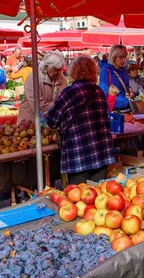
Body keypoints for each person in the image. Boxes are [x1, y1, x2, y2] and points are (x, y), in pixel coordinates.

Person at [44, 55, 116, 184]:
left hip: (78, 153)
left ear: (74, 71)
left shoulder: (69, 92)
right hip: (101, 150)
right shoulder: (98, 91)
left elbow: (52, 121)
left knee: (78, 196)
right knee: (97, 193)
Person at [17, 51, 67, 124]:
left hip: (52, 121)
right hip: (30, 121)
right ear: (46, 67)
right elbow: (38, 105)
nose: (59, 72)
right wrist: (58, 106)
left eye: (60, 69)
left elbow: (64, 99)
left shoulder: (61, 79)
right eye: (56, 69)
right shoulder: (34, 78)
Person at [99, 44, 132, 111]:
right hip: (113, 110)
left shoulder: (124, 71)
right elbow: (103, 94)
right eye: (120, 58)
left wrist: (131, 92)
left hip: (127, 109)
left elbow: (126, 87)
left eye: (124, 57)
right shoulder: (106, 71)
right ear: (113, 57)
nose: (124, 60)